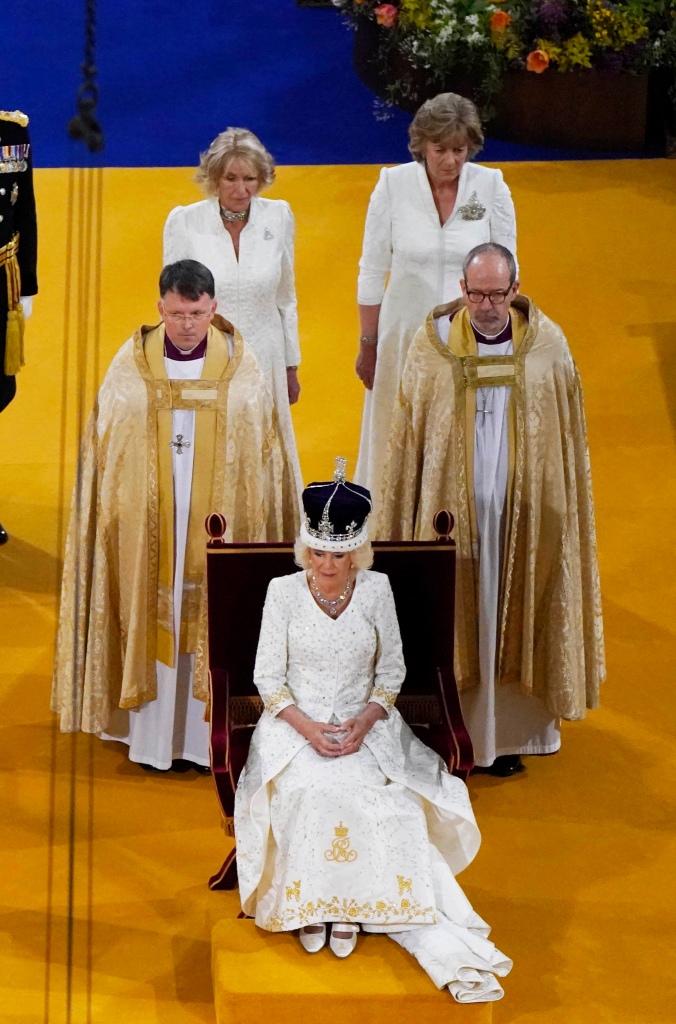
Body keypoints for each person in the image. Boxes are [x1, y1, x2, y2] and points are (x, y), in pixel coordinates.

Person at [234, 458, 512, 1003]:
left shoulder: (378, 589)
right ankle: (314, 906)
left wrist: (365, 721)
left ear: (357, 553)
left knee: (382, 797)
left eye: (339, 554)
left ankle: (352, 908)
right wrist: (310, 729)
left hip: (367, 724)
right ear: (304, 550)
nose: (327, 565)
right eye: (317, 553)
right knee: (310, 791)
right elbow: (266, 677)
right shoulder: (281, 592)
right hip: (294, 723)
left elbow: (392, 672)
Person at [52, 260, 299, 772]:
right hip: (149, 530)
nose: (187, 325)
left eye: (198, 313)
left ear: (214, 308)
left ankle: (204, 736)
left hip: (218, 523)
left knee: (212, 609)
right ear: (160, 306)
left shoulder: (241, 367)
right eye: (177, 313)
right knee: (153, 607)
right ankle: (150, 739)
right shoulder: (131, 364)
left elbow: (261, 455)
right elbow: (109, 447)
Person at [378, 243, 605, 776]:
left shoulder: (547, 347)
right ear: (461, 289)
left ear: (515, 288)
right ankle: (447, 730)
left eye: (496, 293)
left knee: (511, 606)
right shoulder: (431, 347)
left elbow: (565, 442)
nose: (485, 304)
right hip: (450, 516)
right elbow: (410, 440)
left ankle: (506, 737)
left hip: (522, 517)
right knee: (455, 609)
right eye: (475, 292)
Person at [355, 92, 517, 511]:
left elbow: (507, 269)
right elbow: (372, 271)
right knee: (395, 431)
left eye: (459, 150)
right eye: (440, 149)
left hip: (470, 338)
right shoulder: (392, 184)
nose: (450, 160)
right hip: (403, 335)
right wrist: (368, 344)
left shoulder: (492, 186)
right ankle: (390, 523)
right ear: (421, 146)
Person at [163, 128, 303, 499]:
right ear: (213, 178)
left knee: (264, 455)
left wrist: (291, 366)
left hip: (267, 357)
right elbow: (174, 304)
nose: (241, 189)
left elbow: (286, 297)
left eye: (250, 178)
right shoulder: (185, 222)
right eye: (231, 178)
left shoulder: (280, 216)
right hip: (209, 358)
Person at [0, 109, 38, 544]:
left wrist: (26, 286)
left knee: (2, 388)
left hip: (0, 281)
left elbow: (24, 207)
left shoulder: (11, 132)